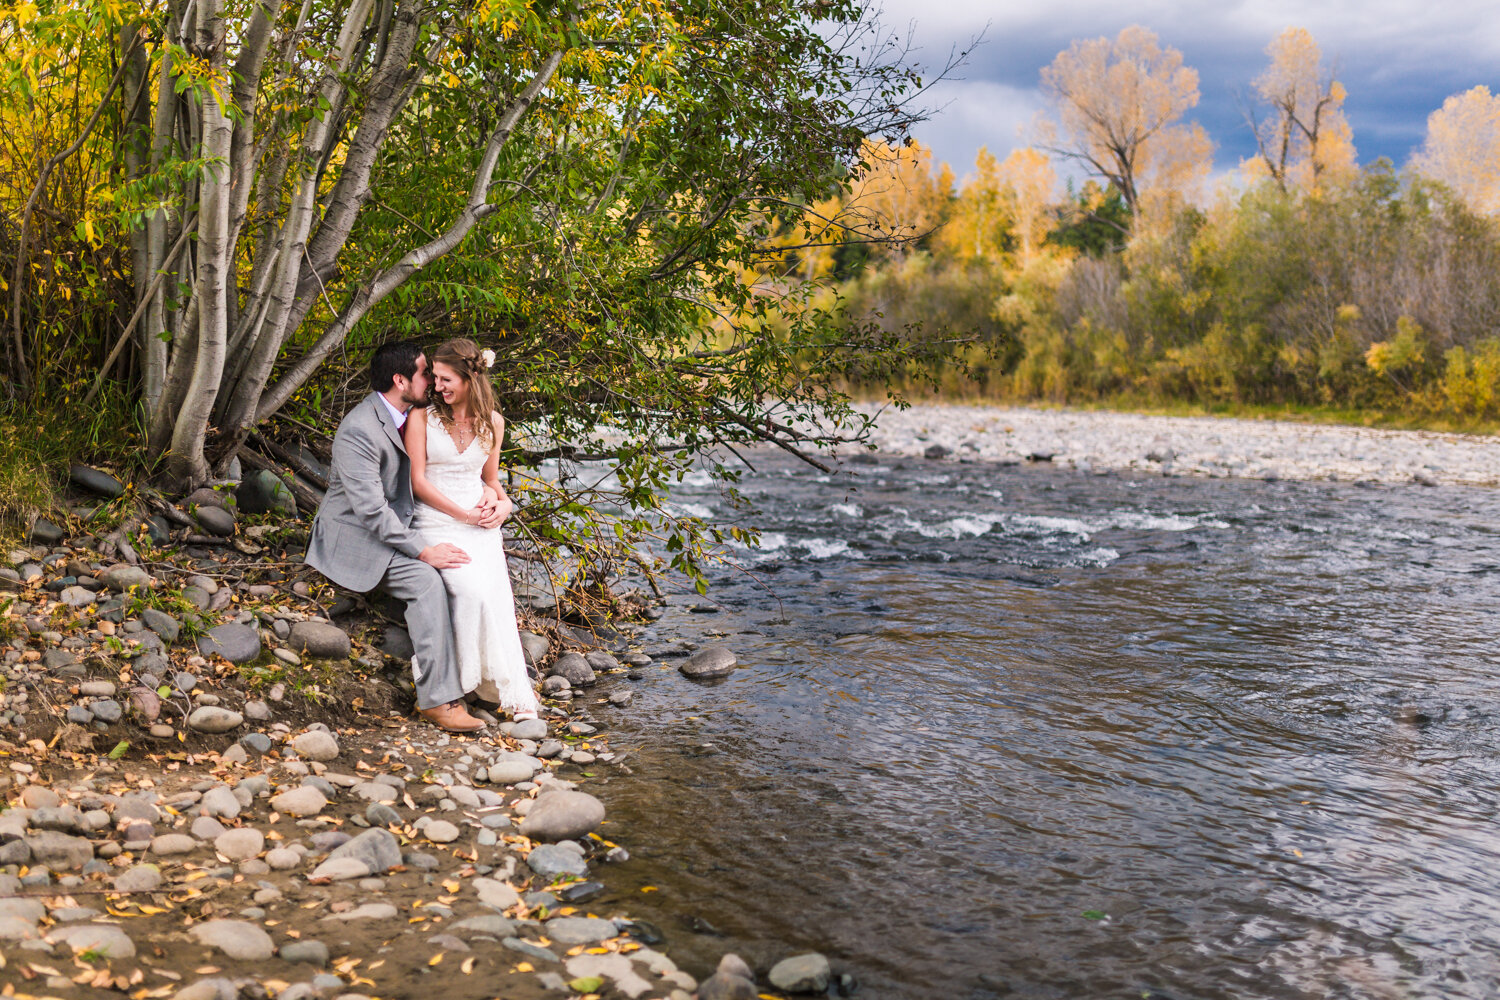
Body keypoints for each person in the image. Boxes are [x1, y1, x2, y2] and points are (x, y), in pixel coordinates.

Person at [304, 341, 492, 733]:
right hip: (355, 538)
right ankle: (438, 701)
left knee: (466, 572)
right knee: (427, 581)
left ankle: (481, 678)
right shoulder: (360, 429)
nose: (433, 383)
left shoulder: (415, 413)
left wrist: (495, 501)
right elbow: (371, 512)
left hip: (403, 527)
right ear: (400, 380)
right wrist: (423, 550)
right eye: (426, 373)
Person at [405, 337, 541, 721]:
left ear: (469, 378)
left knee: (495, 597)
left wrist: (505, 504)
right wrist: (462, 516)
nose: (437, 386)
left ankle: (503, 689)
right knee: (470, 592)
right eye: (434, 378)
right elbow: (417, 482)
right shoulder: (422, 418)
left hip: (482, 526)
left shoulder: (493, 422)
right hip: (435, 519)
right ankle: (459, 686)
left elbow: (491, 479)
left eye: (446, 378)